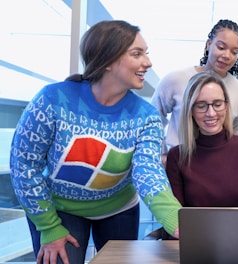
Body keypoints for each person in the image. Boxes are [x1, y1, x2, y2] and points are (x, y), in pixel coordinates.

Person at [9, 20, 182, 264]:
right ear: (109, 60)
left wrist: (175, 219)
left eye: (146, 53)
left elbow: (149, 171)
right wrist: (48, 227)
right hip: (60, 210)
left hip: (118, 208)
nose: (148, 62)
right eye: (137, 54)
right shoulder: (51, 100)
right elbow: (24, 167)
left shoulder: (146, 117)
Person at [151, 19, 238, 164]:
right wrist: (162, 154)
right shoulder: (175, 79)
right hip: (176, 164)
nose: (227, 55)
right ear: (208, 44)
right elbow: (153, 118)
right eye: (221, 47)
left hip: (216, 167)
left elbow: (237, 140)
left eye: (234, 52)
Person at [166, 71, 238, 208]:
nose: (211, 113)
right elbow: (177, 216)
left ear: (226, 106)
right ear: (191, 111)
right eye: (201, 105)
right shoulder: (177, 156)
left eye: (217, 104)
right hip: (195, 230)